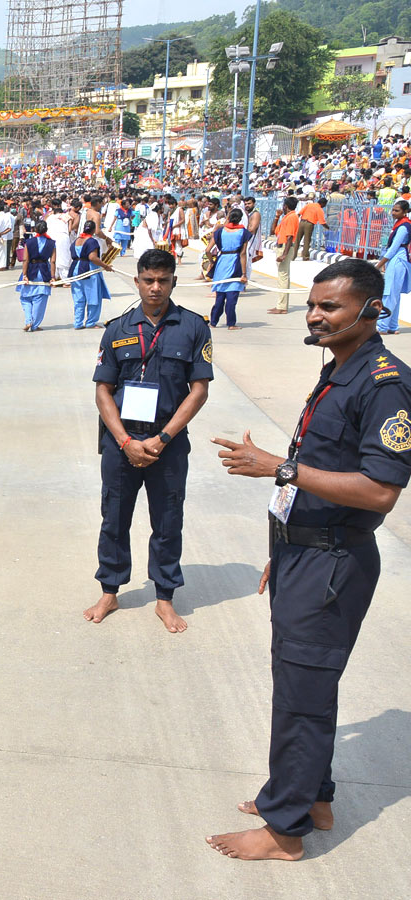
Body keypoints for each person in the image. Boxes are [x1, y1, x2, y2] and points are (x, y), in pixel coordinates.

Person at [207, 259, 411, 861]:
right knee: (308, 687)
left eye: (331, 308)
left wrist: (280, 467)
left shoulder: (384, 384)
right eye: (314, 304)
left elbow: (380, 490)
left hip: (333, 564)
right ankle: (311, 797)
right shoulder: (340, 369)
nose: (315, 315)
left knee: (300, 695)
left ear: (370, 311)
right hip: (306, 554)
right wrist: (283, 547)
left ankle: (284, 830)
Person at [85, 249, 213, 634]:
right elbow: (103, 391)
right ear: (137, 280)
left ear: (174, 281)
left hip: (168, 443)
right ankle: (110, 590)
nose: (155, 288)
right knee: (114, 517)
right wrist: (125, 442)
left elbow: (199, 390)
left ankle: (164, 597)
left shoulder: (193, 327)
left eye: (163, 280)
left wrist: (163, 437)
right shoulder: (117, 328)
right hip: (122, 443)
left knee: (169, 520)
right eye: (148, 280)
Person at [209, 208, 252, 330]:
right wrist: (244, 274)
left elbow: (207, 250)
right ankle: (231, 323)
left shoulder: (220, 231)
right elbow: (243, 253)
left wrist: (212, 262)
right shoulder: (243, 232)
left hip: (222, 263)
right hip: (235, 264)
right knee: (232, 298)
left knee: (220, 297)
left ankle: (213, 322)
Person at [375, 198, 410, 335]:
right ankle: (393, 326)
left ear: (405, 212)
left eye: (397, 210)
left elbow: (393, 248)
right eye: (393, 210)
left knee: (389, 293)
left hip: (398, 259)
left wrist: (379, 264)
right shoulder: (399, 224)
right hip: (396, 259)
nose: (393, 212)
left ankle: (382, 326)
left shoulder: (403, 227)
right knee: (394, 294)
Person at [71, 220, 113, 330]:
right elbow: (92, 257)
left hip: (75, 269)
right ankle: (91, 322)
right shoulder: (92, 241)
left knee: (78, 298)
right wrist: (105, 266)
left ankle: (78, 322)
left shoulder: (77, 240)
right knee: (93, 296)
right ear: (94, 230)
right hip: (88, 269)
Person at [17, 220, 55, 332]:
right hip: (44, 271)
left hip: (31, 270)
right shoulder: (51, 243)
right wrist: (52, 276)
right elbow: (52, 261)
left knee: (25, 297)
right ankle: (34, 324)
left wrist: (24, 274)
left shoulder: (29, 242)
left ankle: (28, 320)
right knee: (40, 299)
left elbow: (25, 259)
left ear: (34, 230)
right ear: (46, 230)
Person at [269, 196, 300, 315]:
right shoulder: (286, 217)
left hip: (284, 248)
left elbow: (290, 237)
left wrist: (284, 254)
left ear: (285, 206)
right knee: (282, 276)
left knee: (283, 277)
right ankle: (281, 305)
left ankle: (282, 306)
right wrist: (277, 217)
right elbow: (273, 231)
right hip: (281, 246)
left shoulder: (292, 217)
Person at [296, 195, 327, 261]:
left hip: (302, 222)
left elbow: (299, 213)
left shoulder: (309, 205)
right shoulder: (319, 209)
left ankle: (293, 255)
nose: (325, 206)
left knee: (297, 239)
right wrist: (328, 228)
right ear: (322, 204)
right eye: (325, 205)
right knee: (306, 241)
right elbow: (322, 222)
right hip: (309, 224)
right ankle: (305, 257)